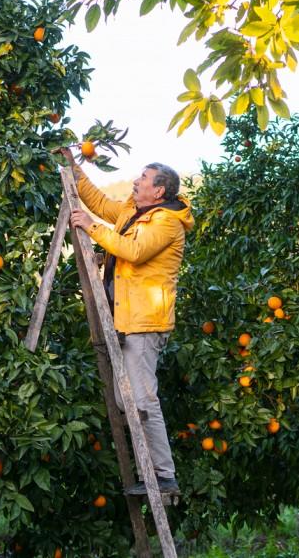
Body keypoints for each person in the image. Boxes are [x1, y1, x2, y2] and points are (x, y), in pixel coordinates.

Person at [61, 148, 194, 495]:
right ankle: (153, 471)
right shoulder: (135, 213)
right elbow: (100, 202)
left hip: (144, 323)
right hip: (125, 320)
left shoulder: (166, 223)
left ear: (159, 191)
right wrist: (74, 169)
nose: (136, 182)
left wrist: (92, 229)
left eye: (143, 179)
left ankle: (164, 476)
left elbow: (134, 252)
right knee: (127, 400)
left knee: (143, 399)